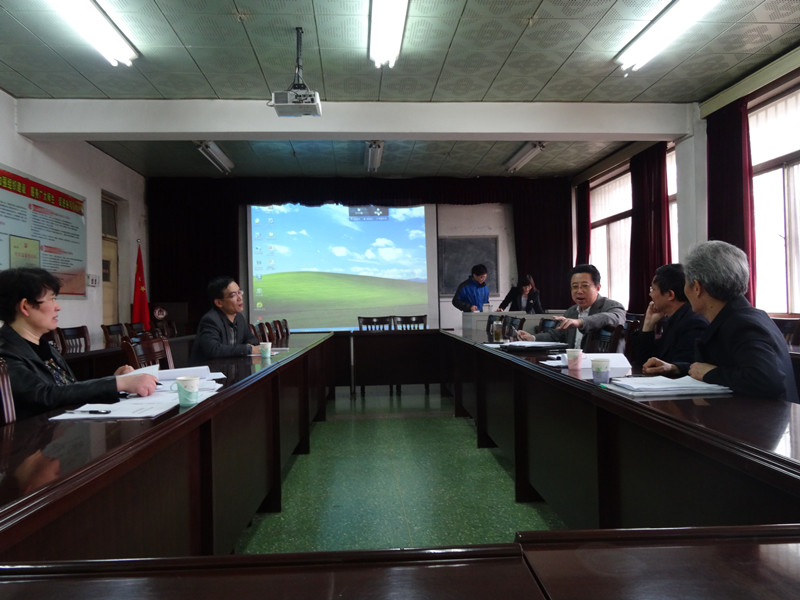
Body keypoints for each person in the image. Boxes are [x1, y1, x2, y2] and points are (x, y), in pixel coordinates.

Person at [642, 241, 798, 402]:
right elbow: (728, 367)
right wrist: (676, 368)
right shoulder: (736, 316)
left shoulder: (743, 325)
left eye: (686, 284)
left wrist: (711, 374)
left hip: (766, 416)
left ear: (697, 287)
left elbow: (767, 380)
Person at [0, 268, 158, 420]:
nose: (58, 307)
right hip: (34, 435)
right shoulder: (5, 353)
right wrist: (118, 383)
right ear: (25, 306)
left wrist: (114, 380)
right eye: (52, 299)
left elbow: (69, 389)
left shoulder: (44, 346)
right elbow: (44, 395)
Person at [518, 264, 625, 349]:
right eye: (574, 286)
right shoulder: (571, 311)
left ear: (597, 288)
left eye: (584, 286)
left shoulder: (612, 306)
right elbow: (555, 336)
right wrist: (532, 338)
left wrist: (580, 322)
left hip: (601, 366)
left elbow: (613, 318)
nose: (579, 291)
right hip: (573, 364)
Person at [631, 264, 708, 367]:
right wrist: (648, 324)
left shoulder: (693, 324)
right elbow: (644, 361)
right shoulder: (672, 319)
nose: (650, 294)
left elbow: (685, 368)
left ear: (670, 295)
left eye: (653, 289)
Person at [190, 276, 258, 364]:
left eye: (239, 292)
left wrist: (248, 347)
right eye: (233, 295)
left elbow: (252, 340)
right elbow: (213, 349)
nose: (240, 298)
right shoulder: (210, 320)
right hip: (211, 369)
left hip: (231, 367)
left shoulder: (239, 318)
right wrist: (247, 349)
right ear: (219, 303)